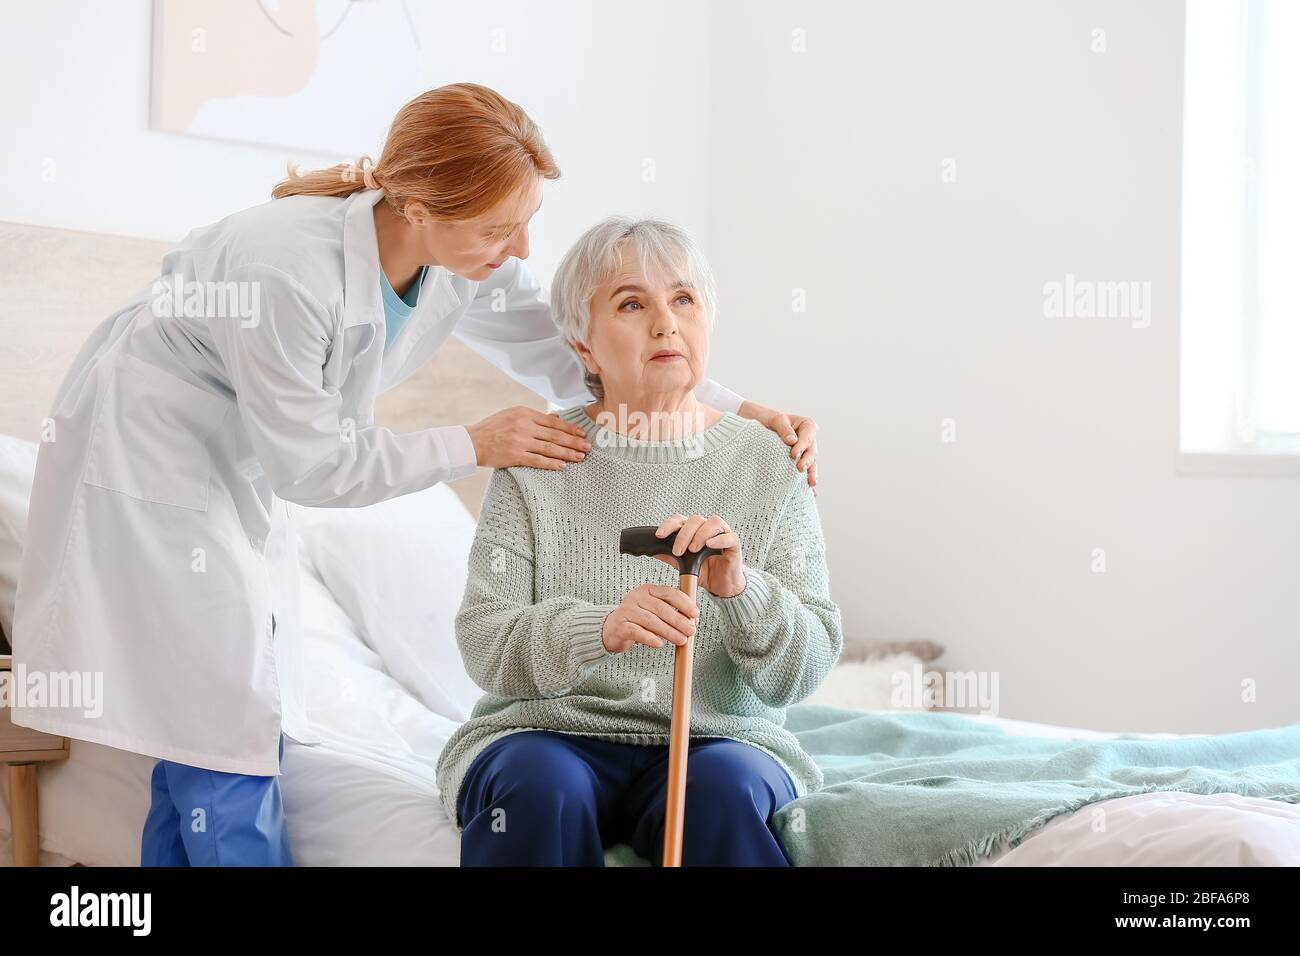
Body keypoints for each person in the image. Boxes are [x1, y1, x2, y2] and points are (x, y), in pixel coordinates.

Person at [9, 84, 819, 866]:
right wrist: (475, 441)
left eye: (529, 220)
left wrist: (749, 412)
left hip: (236, 466)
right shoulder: (283, 268)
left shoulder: (465, 259)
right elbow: (314, 465)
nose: (523, 250)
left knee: (210, 714)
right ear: (422, 208)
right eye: (503, 227)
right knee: (223, 719)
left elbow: (579, 352)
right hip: (148, 457)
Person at [437, 216, 842, 866]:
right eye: (632, 303)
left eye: (683, 299)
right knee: (541, 789)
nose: (666, 323)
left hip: (718, 740)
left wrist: (743, 592)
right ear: (584, 347)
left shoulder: (771, 461)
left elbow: (807, 669)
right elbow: (486, 642)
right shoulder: (538, 456)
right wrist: (599, 630)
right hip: (547, 735)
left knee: (725, 792)